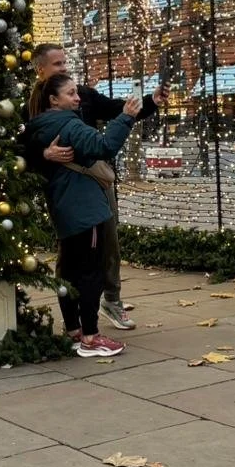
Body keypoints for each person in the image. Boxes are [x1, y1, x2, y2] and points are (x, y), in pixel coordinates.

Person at [30, 43, 167, 330]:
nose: (65, 68)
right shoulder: (33, 110)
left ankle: (107, 303)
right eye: (57, 64)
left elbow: (117, 109)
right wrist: (44, 154)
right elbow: (21, 148)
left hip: (96, 182)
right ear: (40, 70)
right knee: (74, 259)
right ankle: (82, 325)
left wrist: (150, 101)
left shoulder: (83, 97)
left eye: (65, 62)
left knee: (107, 245)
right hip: (66, 190)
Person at [25, 73, 142, 357]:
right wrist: (125, 118)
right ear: (54, 99)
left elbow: (24, 154)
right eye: (71, 94)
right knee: (90, 273)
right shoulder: (68, 124)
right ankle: (91, 337)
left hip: (63, 209)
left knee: (68, 271)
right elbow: (103, 147)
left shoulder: (34, 127)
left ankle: (74, 330)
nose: (78, 98)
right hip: (86, 210)